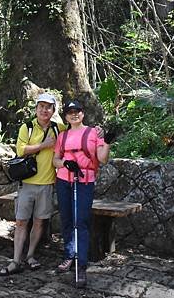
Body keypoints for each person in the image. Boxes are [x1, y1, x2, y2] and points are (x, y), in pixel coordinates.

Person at [0, 92, 65, 276]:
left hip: (47, 184)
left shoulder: (59, 128)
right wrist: (44, 145)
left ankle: (30, 255)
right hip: (27, 183)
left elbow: (76, 129)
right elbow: (21, 150)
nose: (44, 110)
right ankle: (15, 260)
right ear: (36, 109)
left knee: (39, 222)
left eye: (48, 107)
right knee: (21, 222)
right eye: (41, 106)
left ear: (53, 111)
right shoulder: (26, 128)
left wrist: (97, 132)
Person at [52, 99, 112, 288]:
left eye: (77, 111)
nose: (74, 114)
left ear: (83, 113)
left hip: (84, 181)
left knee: (82, 221)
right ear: (66, 116)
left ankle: (82, 264)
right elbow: (55, 159)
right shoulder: (62, 136)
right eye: (70, 112)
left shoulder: (93, 133)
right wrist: (64, 164)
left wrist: (108, 142)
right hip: (64, 180)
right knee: (67, 219)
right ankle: (69, 255)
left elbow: (102, 159)